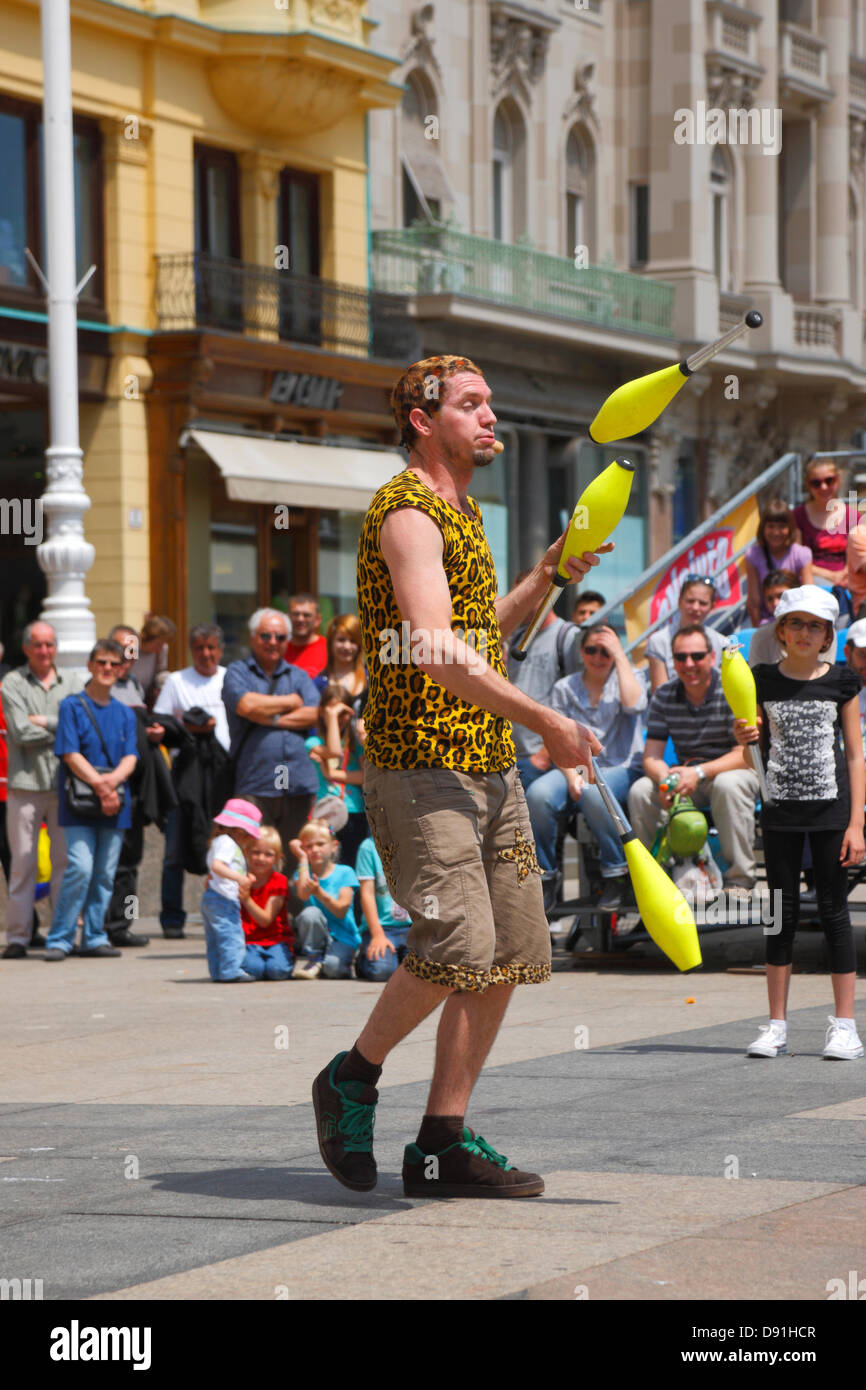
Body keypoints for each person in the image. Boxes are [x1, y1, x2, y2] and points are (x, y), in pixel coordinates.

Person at [312, 353, 602, 1201]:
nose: (490, 418)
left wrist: (546, 574)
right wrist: (545, 718)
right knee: (455, 945)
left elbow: (480, 636)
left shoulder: (465, 512)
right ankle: (351, 1077)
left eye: (490, 403)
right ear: (422, 418)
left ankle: (441, 1140)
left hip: (489, 764)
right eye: (471, 405)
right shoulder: (405, 513)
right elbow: (434, 650)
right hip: (419, 765)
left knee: (509, 949)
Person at [735, 587, 864, 1060]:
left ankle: (845, 1026)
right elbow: (752, 754)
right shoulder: (760, 680)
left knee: (834, 913)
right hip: (780, 814)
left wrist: (857, 824)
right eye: (796, 624)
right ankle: (776, 1025)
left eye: (815, 626)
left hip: (831, 813)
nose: (804, 633)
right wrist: (744, 737)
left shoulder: (843, 682)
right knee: (779, 916)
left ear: (828, 634)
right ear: (781, 632)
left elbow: (854, 753)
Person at [628, 623, 760, 890]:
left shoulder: (730, 688)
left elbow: (744, 756)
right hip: (688, 777)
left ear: (712, 658)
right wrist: (666, 780)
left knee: (728, 785)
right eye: (680, 657)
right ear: (672, 661)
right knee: (641, 791)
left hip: (733, 772)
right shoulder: (664, 694)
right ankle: (656, 881)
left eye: (697, 656)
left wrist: (699, 773)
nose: (689, 663)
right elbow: (651, 756)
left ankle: (739, 879)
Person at [524, 623, 647, 910]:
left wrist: (620, 655)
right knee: (538, 794)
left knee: (594, 792)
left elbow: (635, 704)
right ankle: (546, 877)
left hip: (621, 767)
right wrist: (573, 775)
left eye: (605, 651)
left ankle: (617, 873)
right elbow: (556, 739)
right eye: (591, 650)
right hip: (575, 767)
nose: (598, 657)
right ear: (581, 652)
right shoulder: (565, 688)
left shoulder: (628, 677)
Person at [44, 640, 138, 961]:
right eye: (102, 662)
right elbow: (70, 754)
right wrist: (103, 785)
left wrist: (110, 785)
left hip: (115, 804)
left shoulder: (125, 713)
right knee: (80, 869)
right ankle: (60, 938)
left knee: (104, 875)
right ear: (90, 665)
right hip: (80, 803)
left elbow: (131, 758)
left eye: (114, 663)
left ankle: (95, 937)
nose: (108, 669)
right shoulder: (72, 706)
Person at [2, 621, 83, 959]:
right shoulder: (12, 682)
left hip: (63, 786)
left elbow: (78, 724)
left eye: (49, 644)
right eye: (38, 645)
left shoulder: (73, 681)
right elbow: (20, 732)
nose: (44, 651)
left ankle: (61, 936)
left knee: (65, 863)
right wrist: (59, 726)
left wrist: (44, 721)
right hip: (25, 785)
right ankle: (18, 938)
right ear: (26, 648)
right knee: (23, 865)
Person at [221, 608, 320, 876]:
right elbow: (245, 704)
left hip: (297, 782)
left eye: (280, 636)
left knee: (292, 857)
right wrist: (290, 702)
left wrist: (270, 718)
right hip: (255, 782)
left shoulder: (298, 675)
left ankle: (289, 917)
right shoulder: (237, 671)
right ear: (253, 638)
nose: (273, 642)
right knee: (254, 855)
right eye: (266, 635)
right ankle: (254, 917)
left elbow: (315, 713)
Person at [154, 623, 230, 938]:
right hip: (185, 779)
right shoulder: (176, 681)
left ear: (220, 649)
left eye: (211, 647)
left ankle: (227, 914)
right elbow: (159, 723)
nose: (206, 654)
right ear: (190, 650)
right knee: (174, 850)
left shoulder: (230, 678)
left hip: (225, 777)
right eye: (199, 648)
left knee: (225, 848)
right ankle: (172, 919)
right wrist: (184, 728)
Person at [506, 570, 582, 795]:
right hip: (513, 755)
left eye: (525, 595)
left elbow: (578, 700)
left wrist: (545, 753)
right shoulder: (518, 638)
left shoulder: (567, 636)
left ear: (545, 595)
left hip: (546, 759)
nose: (518, 602)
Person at [306, 681, 368, 867]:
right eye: (332, 711)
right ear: (322, 711)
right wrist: (332, 716)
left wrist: (332, 773)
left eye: (342, 713)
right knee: (325, 865)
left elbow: (364, 777)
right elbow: (333, 751)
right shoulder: (313, 742)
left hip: (354, 811)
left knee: (350, 865)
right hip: (325, 812)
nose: (338, 718)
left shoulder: (355, 744)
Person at [290, 820, 361, 979]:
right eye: (308, 846)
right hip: (318, 937)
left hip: (343, 936)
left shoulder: (345, 872)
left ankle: (332, 960)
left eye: (320, 844)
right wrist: (302, 859)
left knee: (333, 970)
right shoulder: (302, 872)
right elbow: (302, 894)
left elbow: (341, 910)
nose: (314, 849)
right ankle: (315, 957)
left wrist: (319, 892)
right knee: (310, 913)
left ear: (334, 846)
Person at [201, 798, 262, 982]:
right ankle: (231, 971)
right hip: (223, 899)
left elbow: (216, 870)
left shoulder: (220, 841)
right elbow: (217, 866)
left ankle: (219, 971)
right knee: (232, 935)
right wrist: (240, 878)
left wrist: (244, 875)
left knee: (215, 939)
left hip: (213, 896)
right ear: (238, 830)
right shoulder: (227, 842)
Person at [646, 575, 727, 689]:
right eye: (690, 601)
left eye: (702, 603)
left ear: (712, 606)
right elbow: (660, 693)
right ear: (679, 602)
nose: (695, 607)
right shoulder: (658, 641)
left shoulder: (722, 643)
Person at [238, 824, 294, 981]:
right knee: (254, 969)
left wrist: (246, 899)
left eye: (268, 854)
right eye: (256, 852)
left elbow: (265, 920)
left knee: (277, 971)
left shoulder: (279, 881)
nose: (261, 858)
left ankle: (286, 958)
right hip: (249, 941)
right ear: (246, 853)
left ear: (277, 858)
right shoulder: (240, 878)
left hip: (276, 940)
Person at [744, 500, 813, 626]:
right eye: (771, 526)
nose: (776, 532)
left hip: (795, 618)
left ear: (790, 528)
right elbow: (754, 601)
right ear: (763, 528)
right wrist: (758, 631)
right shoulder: (753, 555)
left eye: (781, 527)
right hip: (767, 621)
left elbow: (809, 593)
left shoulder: (801, 554)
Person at [354, 835, 412, 982]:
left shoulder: (414, 842)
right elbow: (366, 893)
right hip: (382, 928)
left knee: (422, 972)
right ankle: (363, 960)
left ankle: (396, 961)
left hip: (411, 928)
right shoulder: (368, 847)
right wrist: (377, 934)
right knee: (381, 972)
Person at [793, 458, 853, 588]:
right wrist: (831, 576)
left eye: (829, 480)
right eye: (816, 483)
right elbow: (796, 558)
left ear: (838, 480)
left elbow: (856, 557)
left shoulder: (851, 515)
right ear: (808, 486)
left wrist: (845, 575)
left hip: (848, 580)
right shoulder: (797, 516)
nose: (824, 487)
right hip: (811, 580)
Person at [748, 571, 798, 667]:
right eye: (770, 599)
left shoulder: (821, 632)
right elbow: (756, 677)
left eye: (781, 596)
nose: (775, 603)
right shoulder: (760, 637)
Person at [314, 614, 367, 700]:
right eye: (341, 640)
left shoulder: (372, 679)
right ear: (331, 642)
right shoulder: (319, 683)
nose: (347, 646)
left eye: (353, 641)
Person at [284, 594, 328, 678]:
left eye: (306, 615)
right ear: (287, 617)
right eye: (295, 614)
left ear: (318, 619)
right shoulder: (278, 648)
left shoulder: (329, 649)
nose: (300, 619)